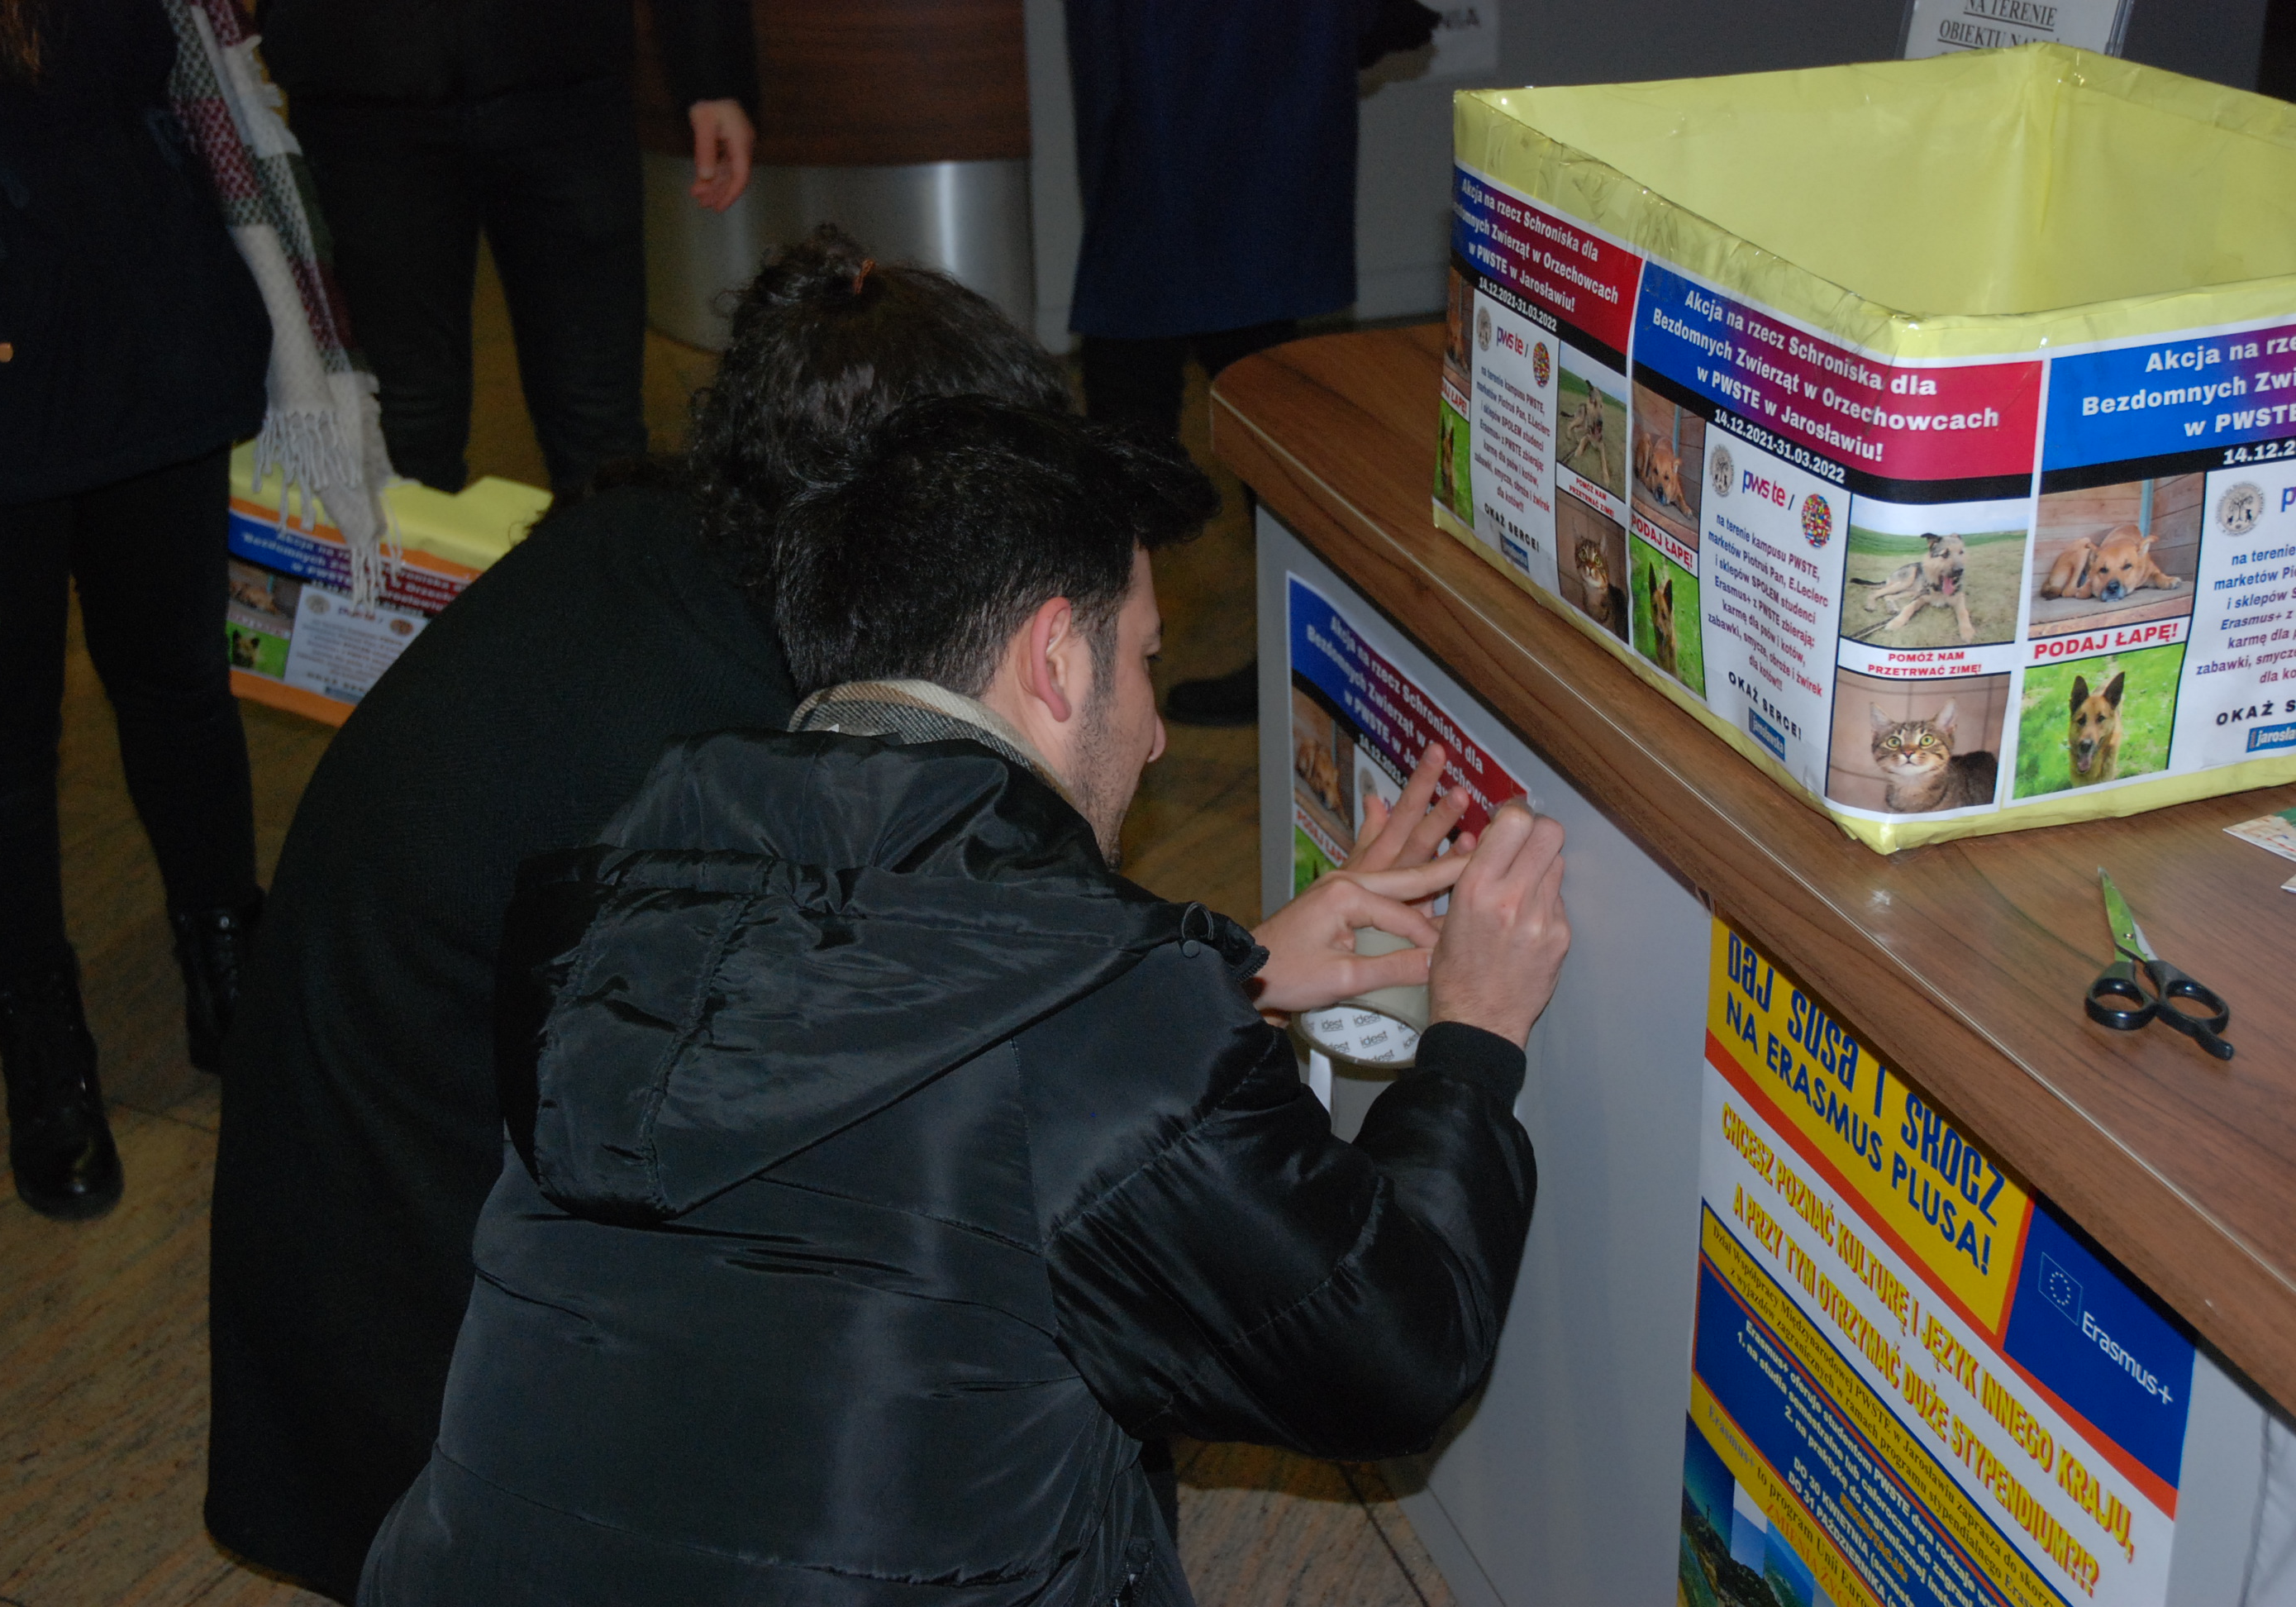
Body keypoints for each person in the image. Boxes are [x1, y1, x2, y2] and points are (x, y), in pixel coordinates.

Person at [357, 398, 1568, 1605]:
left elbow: (876, 1051)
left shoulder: (630, 873)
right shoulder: (1100, 1023)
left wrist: (1214, 976)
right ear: (1056, 659)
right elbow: (1391, 1357)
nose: (1155, 737)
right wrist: (1473, 1036)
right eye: (1143, 660)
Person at [205, 228, 1075, 1602]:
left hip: (370, 1242)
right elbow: (882, 1113)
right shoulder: (718, 764)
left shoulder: (661, 547)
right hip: (430, 1360)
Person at [0, 0, 335, 1219]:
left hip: (153, 327)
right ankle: (45, 1055)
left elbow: (202, 80)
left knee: (178, 679)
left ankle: (230, 980)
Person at [1065, 0, 1436, 727]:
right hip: (1251, 104)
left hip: (1174, 108)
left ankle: (1111, 669)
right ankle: (1288, 655)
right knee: (1248, 408)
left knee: (1146, 416)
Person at [257, 0, 759, 498]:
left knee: (597, 422)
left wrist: (712, 72)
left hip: (565, 79)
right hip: (359, 85)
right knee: (402, 422)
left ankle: (603, 546)